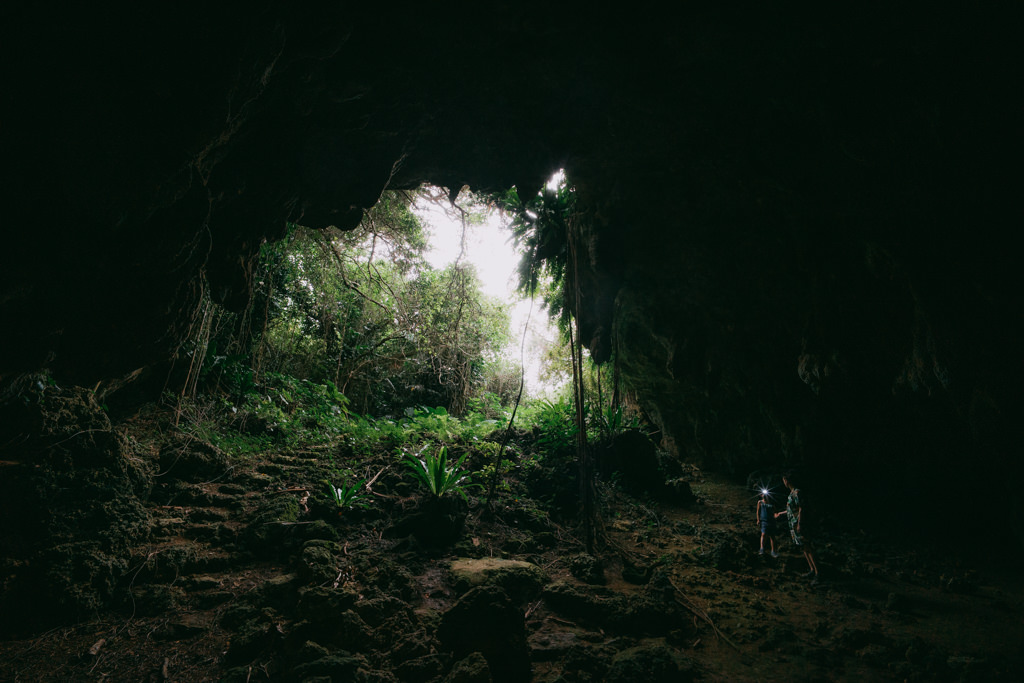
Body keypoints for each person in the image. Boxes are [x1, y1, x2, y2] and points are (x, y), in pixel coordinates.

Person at [775, 472, 819, 584]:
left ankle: (818, 573)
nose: (783, 482)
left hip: (799, 524)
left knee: (808, 546)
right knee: (804, 547)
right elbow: (792, 509)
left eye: (784, 480)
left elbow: (801, 508)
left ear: (787, 480)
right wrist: (781, 513)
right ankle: (812, 569)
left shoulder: (797, 493)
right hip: (794, 524)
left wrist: (800, 523)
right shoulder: (791, 494)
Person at [756, 489, 779, 557]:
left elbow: (775, 512)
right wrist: (758, 519)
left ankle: (773, 551)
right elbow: (758, 511)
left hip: (771, 521)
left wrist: (776, 515)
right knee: (763, 534)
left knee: (772, 536)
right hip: (764, 521)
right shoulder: (760, 502)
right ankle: (762, 549)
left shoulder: (771, 503)